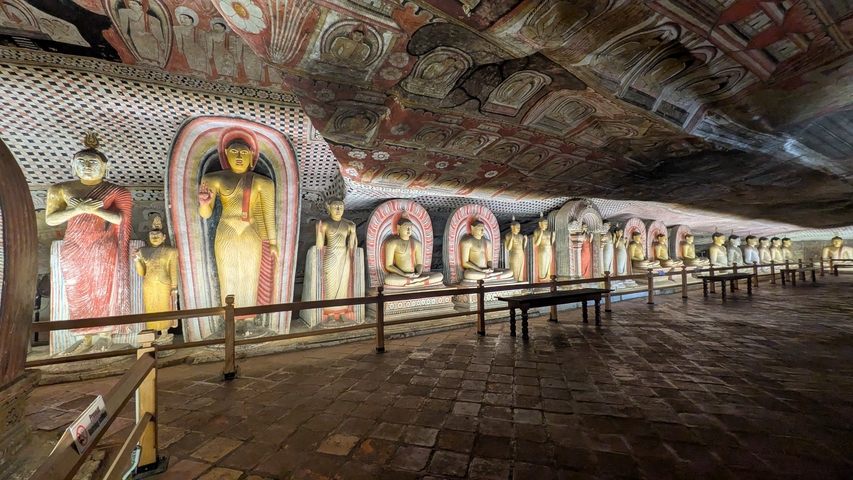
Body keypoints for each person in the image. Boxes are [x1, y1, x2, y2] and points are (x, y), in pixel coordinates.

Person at [46, 133, 133, 355]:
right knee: (76, 290)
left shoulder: (116, 190)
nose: (86, 167)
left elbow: (121, 220)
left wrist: (95, 209)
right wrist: (76, 209)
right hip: (74, 244)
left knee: (102, 289)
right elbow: (51, 219)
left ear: (105, 166)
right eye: (81, 163)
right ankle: (84, 336)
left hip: (102, 244)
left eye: (93, 163)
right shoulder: (60, 189)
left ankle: (105, 334)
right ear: (73, 165)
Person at [198, 127, 277, 336]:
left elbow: (268, 215)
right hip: (226, 230)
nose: (239, 157)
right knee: (228, 275)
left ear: (252, 156)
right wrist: (205, 203)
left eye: (244, 153)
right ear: (225, 155)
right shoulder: (214, 178)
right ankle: (230, 320)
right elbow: (205, 215)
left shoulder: (263, 182)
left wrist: (274, 242)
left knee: (250, 275)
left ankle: (249, 319)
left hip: (251, 232)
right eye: (234, 152)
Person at [133, 227, 178, 344]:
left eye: (157, 234)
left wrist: (174, 286)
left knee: (164, 307)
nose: (154, 236)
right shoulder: (143, 251)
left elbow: (173, 270)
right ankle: (153, 333)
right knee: (151, 308)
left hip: (164, 283)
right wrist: (137, 260)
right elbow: (141, 272)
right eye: (151, 234)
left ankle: (164, 332)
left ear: (164, 237)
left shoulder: (170, 251)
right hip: (148, 284)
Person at [315, 198, 357, 324]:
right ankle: (330, 314)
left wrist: (353, 233)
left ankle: (342, 311)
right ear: (329, 208)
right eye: (335, 207)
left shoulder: (348, 223)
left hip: (344, 256)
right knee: (330, 284)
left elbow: (352, 247)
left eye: (341, 207)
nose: (338, 210)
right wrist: (319, 231)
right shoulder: (326, 223)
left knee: (343, 285)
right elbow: (319, 246)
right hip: (331, 255)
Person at [383, 217, 444, 287]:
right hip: (400, 275)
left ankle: (415, 282)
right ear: (398, 228)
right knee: (388, 279)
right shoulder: (392, 243)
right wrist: (404, 274)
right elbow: (389, 266)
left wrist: (418, 273)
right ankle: (418, 282)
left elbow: (419, 264)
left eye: (410, 227)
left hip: (415, 275)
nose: (409, 230)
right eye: (406, 227)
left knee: (439, 275)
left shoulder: (417, 243)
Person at [532, 215, 554, 281]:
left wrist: (553, 237)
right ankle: (542, 279)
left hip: (549, 249)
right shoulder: (537, 231)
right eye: (545, 223)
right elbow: (536, 243)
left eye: (547, 223)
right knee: (543, 265)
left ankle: (547, 278)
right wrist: (540, 234)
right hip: (542, 250)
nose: (546, 225)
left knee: (548, 265)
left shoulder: (549, 232)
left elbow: (550, 243)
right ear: (540, 224)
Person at [504, 218, 527, 282]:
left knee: (521, 269)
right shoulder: (508, 235)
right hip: (514, 254)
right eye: (517, 227)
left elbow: (523, 247)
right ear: (512, 227)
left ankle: (520, 280)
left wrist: (525, 241)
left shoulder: (521, 236)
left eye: (519, 227)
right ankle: (515, 281)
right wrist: (511, 238)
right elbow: (508, 248)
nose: (519, 229)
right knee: (515, 269)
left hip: (521, 254)